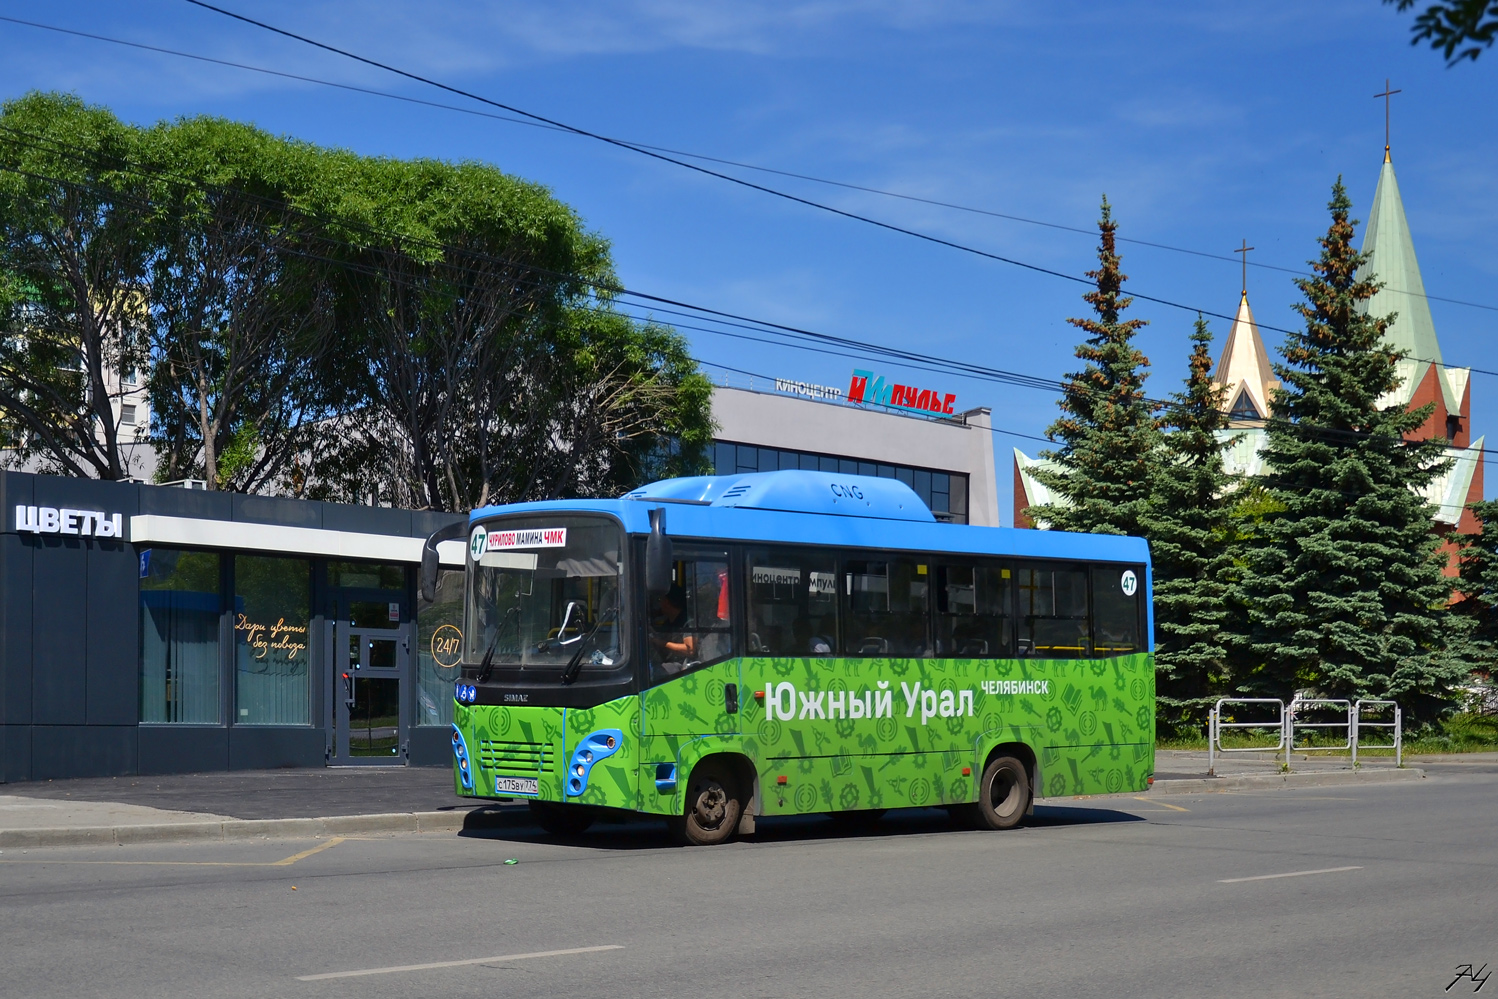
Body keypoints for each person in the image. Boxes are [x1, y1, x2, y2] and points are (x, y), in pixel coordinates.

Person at [649, 584, 695, 677]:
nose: (659, 604)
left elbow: (690, 649)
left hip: (682, 666)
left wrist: (662, 643)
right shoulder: (668, 622)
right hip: (667, 662)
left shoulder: (687, 621)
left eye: (660, 600)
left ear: (667, 602)